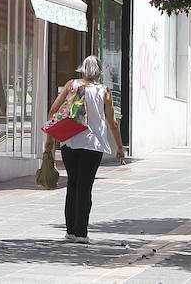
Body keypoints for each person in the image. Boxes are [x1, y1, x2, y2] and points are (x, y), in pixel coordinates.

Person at [45, 56, 124, 243]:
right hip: (93, 145)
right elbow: (112, 122)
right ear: (99, 73)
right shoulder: (104, 91)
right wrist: (119, 147)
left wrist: (50, 138)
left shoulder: (71, 85)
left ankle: (70, 231)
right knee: (85, 187)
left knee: (72, 185)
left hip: (70, 142)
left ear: (81, 70)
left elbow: (53, 111)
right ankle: (81, 232)